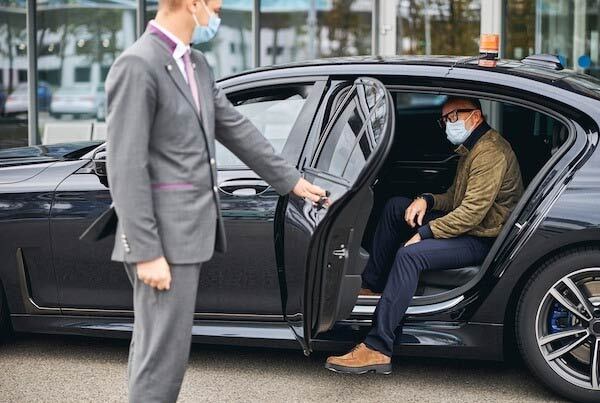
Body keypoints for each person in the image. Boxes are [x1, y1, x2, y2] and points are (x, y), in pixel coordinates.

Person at [105, 0, 328, 401]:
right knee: (163, 357)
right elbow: (125, 164)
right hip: (161, 239)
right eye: (216, 7)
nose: (218, 17)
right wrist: (146, 250)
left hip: (185, 234)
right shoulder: (137, 64)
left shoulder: (196, 64)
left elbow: (236, 128)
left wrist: (292, 181)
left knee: (158, 349)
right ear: (193, 4)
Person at [325, 96, 524, 374]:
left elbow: (471, 214)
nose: (447, 124)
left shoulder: (490, 153)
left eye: (452, 117)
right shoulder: (473, 147)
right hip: (471, 226)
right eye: (444, 120)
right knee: (397, 207)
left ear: (475, 116)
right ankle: (373, 284)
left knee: (409, 255)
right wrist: (426, 200)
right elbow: (455, 198)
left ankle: (378, 347)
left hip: (482, 238)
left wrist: (425, 232)